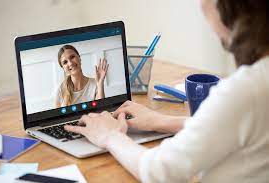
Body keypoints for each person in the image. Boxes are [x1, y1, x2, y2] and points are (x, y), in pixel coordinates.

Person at [65, 0, 269, 182]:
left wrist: (110, 136)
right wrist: (162, 121)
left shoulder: (245, 91)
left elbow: (160, 172)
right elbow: (235, 125)